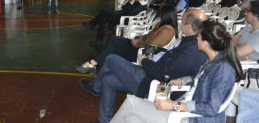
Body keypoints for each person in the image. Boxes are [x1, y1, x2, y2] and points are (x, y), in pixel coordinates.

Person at [79, 9, 208, 123]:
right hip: (150, 76)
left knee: (111, 59)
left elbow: (162, 73)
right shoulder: (191, 44)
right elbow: (171, 64)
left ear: (189, 27)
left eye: (183, 21)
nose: (180, 23)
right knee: (108, 80)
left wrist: (145, 61)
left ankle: (96, 88)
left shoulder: (192, 50)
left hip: (151, 83)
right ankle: (103, 119)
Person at [111, 20, 243, 123]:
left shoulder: (223, 69)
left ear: (206, 43)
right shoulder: (212, 61)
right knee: (131, 120)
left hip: (193, 119)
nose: (196, 38)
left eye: (199, 36)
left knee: (131, 103)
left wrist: (174, 105)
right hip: (188, 114)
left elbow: (211, 108)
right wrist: (181, 81)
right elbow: (199, 79)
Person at [76, 5, 178, 74]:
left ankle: (93, 64)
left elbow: (151, 46)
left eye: (161, 14)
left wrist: (137, 43)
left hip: (140, 53)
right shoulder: (160, 25)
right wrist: (138, 38)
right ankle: (94, 64)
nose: (159, 16)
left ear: (166, 16)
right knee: (113, 39)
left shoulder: (168, 30)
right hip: (139, 45)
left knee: (112, 49)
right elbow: (148, 35)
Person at [82, 0, 147, 44]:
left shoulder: (139, 5)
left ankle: (92, 25)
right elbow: (124, 8)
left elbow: (129, 13)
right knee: (102, 18)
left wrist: (131, 2)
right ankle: (98, 38)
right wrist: (130, 4)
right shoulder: (140, 3)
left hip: (123, 20)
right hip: (122, 16)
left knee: (103, 12)